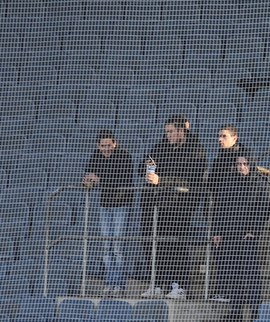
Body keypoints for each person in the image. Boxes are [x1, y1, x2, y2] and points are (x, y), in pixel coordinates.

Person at [141, 115, 207, 300]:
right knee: (153, 243)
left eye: (171, 131)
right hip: (154, 203)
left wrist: (161, 180)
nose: (167, 135)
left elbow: (190, 179)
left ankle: (180, 285)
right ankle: (159, 283)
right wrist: (148, 166)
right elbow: (142, 166)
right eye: (166, 131)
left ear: (181, 131)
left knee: (175, 244)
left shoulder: (195, 149)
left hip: (179, 205)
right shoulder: (162, 146)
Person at [211, 154, 270, 322]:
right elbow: (219, 207)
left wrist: (253, 230)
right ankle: (236, 310)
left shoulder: (260, 182)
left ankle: (255, 311)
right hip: (230, 234)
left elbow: (264, 208)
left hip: (248, 236)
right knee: (232, 273)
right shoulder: (228, 182)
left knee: (251, 273)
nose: (242, 167)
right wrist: (217, 231)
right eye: (239, 164)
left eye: (245, 163)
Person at [82, 130, 134, 297]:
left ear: (114, 143)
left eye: (108, 145)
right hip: (105, 204)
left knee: (117, 246)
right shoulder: (96, 156)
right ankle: (109, 283)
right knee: (106, 246)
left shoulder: (123, 156)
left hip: (121, 204)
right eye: (102, 146)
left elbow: (122, 179)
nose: (106, 149)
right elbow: (89, 174)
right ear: (98, 146)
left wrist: (100, 179)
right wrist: (87, 179)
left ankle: (119, 284)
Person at [207, 126, 255, 303]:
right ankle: (222, 290)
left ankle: (235, 294)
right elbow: (212, 184)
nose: (220, 139)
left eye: (224, 136)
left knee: (237, 258)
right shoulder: (219, 158)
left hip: (239, 216)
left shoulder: (243, 156)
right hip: (221, 213)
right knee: (220, 254)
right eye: (219, 136)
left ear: (235, 138)